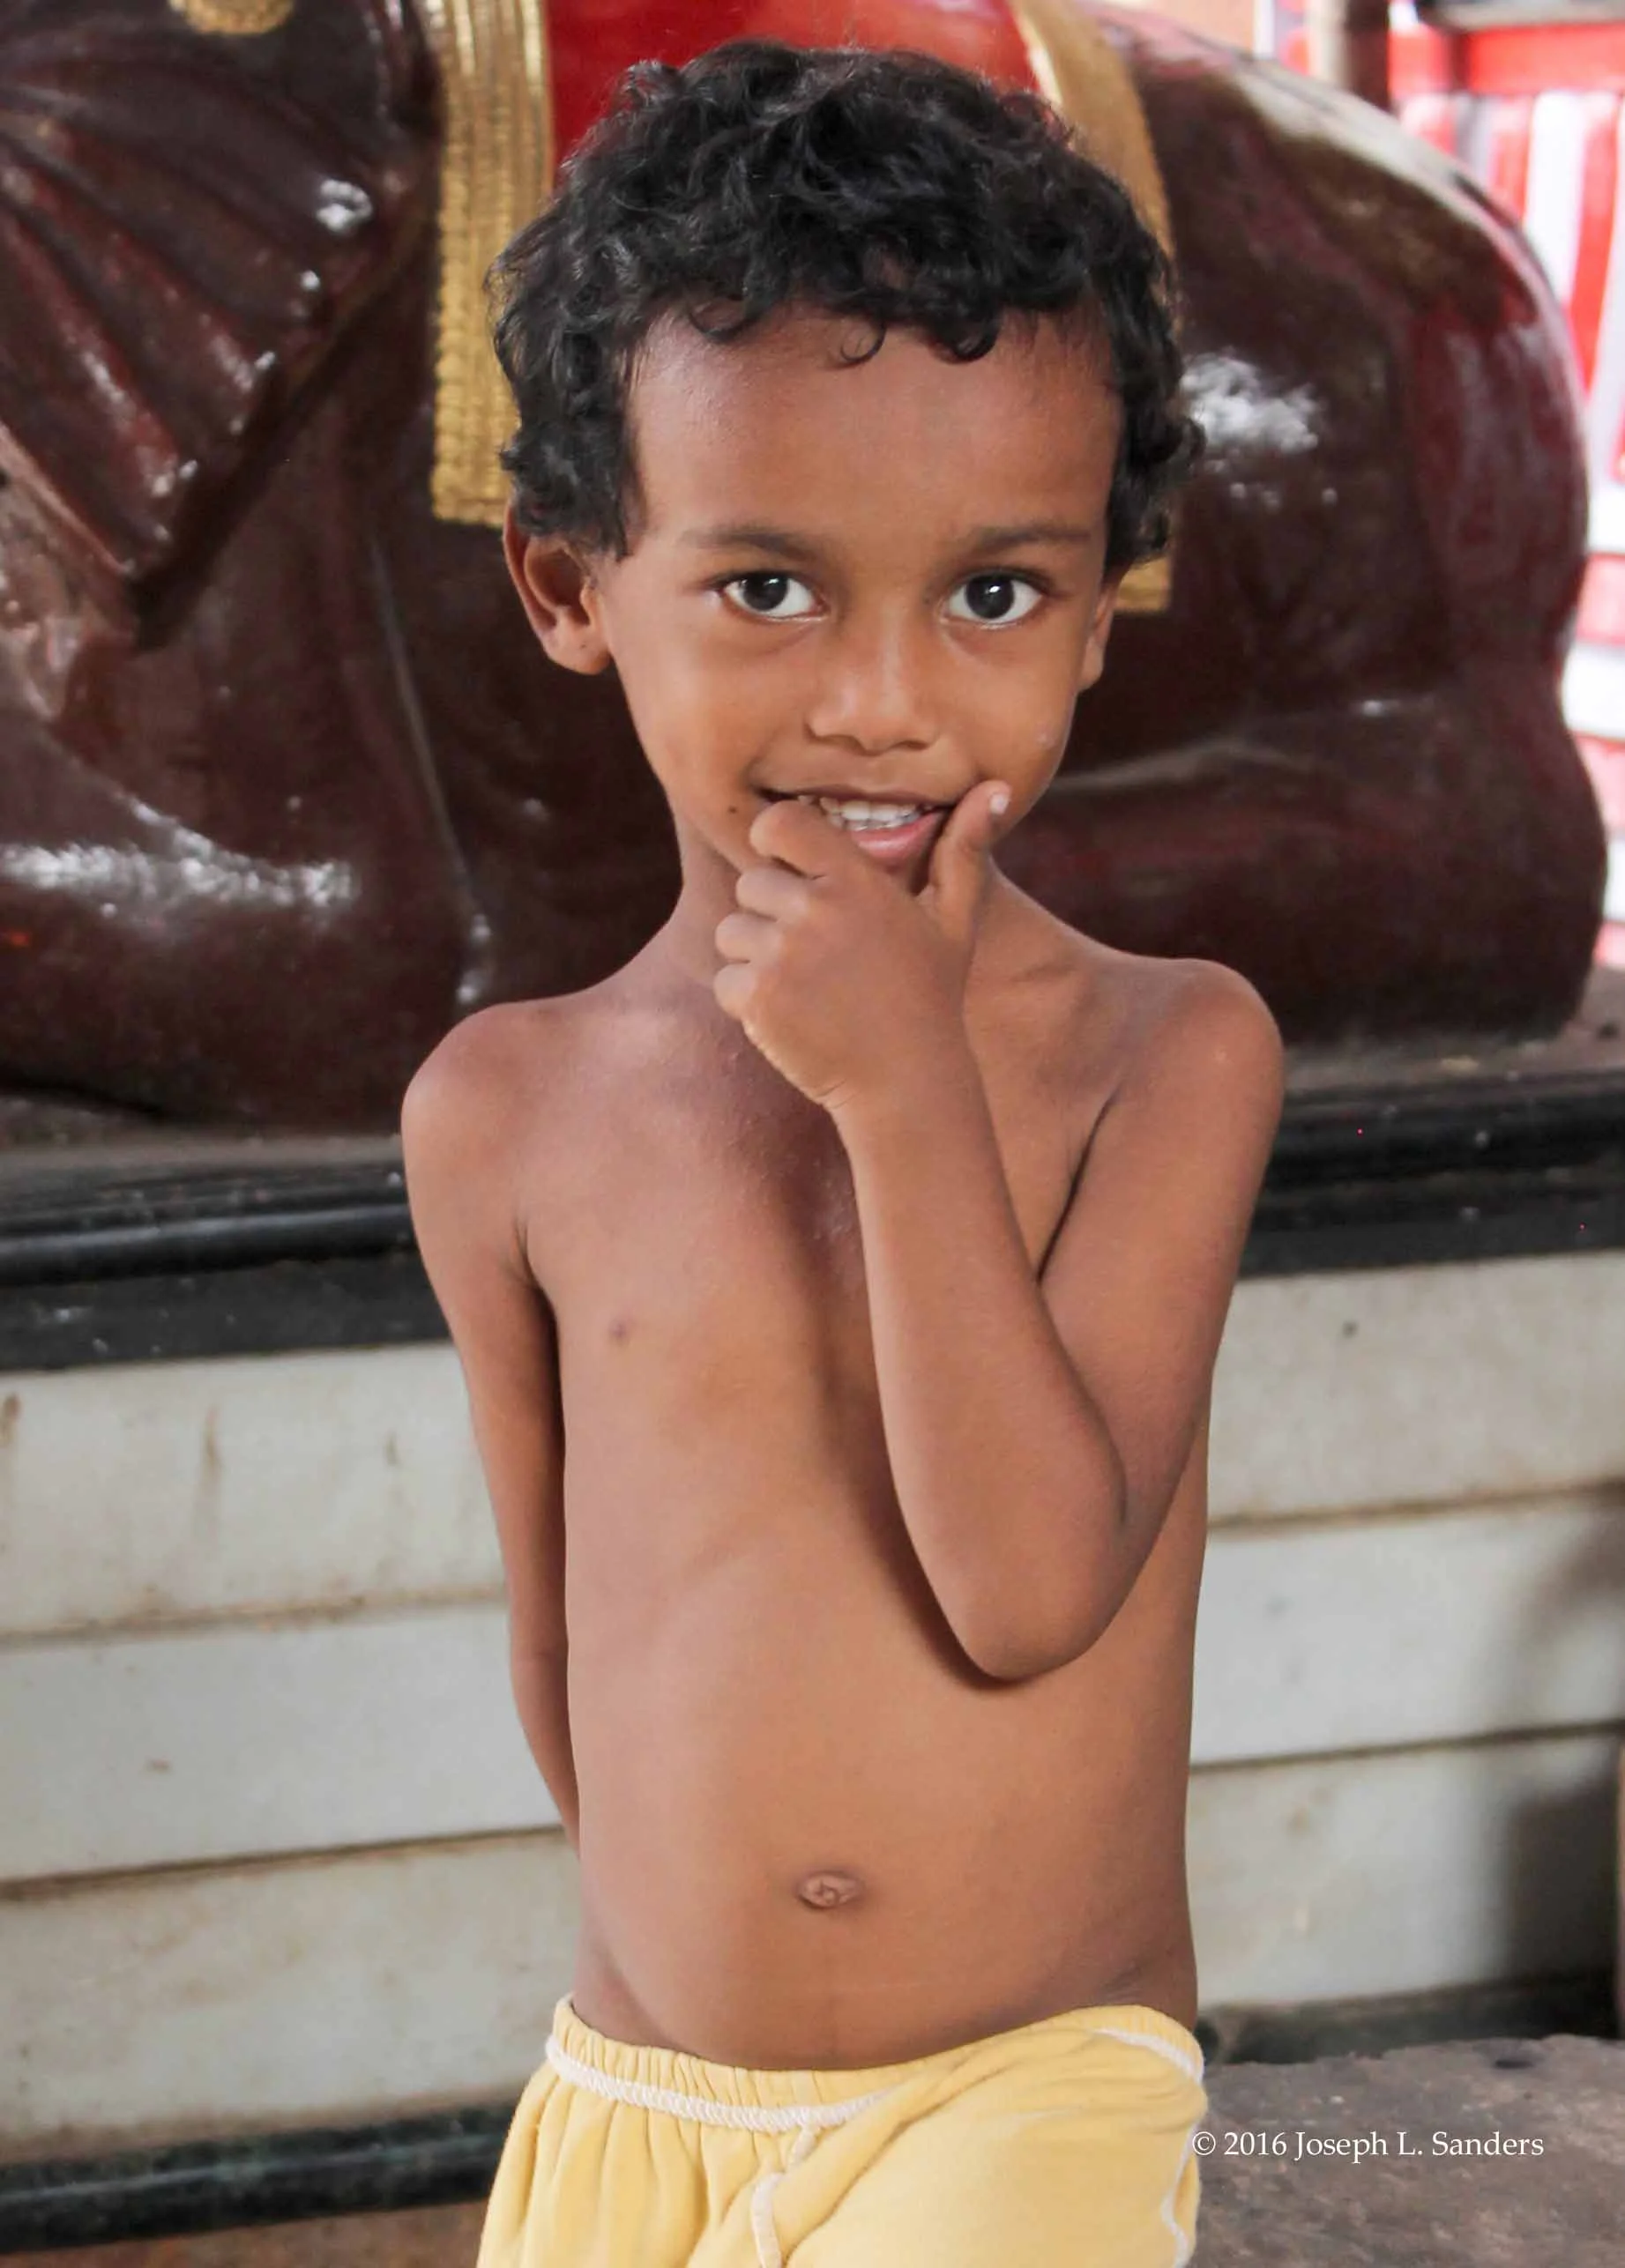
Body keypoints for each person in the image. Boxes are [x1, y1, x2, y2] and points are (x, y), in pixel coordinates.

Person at [401, 39, 1284, 2267]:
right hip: (635, 2098)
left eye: (991, 595)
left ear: (1096, 609)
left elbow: (1025, 1590)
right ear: (572, 582)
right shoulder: (505, 1106)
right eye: (772, 588)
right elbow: (558, 1639)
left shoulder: (1168, 1055)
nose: (883, 699)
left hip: (1027, 2090)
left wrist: (899, 1093)